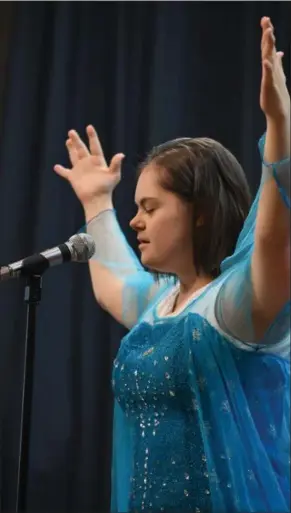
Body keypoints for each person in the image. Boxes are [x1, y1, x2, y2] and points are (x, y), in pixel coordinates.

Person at [54, 17, 290, 513]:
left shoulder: (233, 307)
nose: (135, 221)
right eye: (134, 208)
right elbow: (112, 282)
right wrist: (97, 202)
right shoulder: (161, 304)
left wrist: (279, 126)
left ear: (199, 212)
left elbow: (271, 236)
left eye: (150, 208)